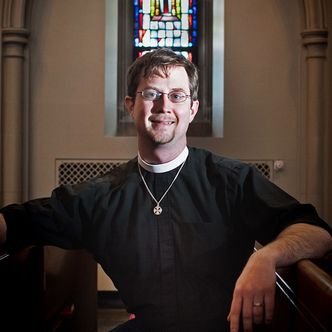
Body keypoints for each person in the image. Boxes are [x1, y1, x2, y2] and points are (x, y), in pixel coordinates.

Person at [0, 48, 331, 332]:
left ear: (193, 109)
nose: (163, 107)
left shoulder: (230, 179)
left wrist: (267, 257)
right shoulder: (100, 196)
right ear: (130, 105)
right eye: (151, 93)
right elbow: (17, 223)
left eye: (176, 95)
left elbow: (317, 232)